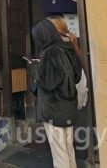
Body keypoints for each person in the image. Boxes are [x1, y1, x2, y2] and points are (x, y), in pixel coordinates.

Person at [31, 19, 82, 168]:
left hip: (53, 110)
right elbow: (77, 76)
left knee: (60, 155)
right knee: (68, 150)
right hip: (68, 108)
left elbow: (47, 83)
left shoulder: (49, 54)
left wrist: (35, 68)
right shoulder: (66, 49)